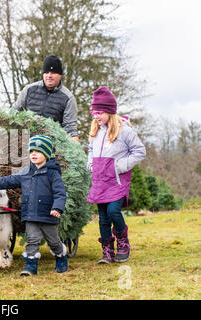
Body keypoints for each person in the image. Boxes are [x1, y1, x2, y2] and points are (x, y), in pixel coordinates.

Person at [0, 135, 68, 275]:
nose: (34, 154)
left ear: (47, 154)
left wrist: (57, 208)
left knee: (53, 241)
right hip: (30, 214)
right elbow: (9, 181)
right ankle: (31, 266)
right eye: (31, 151)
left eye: (38, 151)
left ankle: (61, 257)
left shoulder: (53, 174)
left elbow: (60, 193)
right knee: (32, 239)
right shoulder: (26, 173)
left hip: (48, 215)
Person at [86, 86, 146, 264]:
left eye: (100, 112)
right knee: (103, 218)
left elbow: (139, 151)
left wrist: (119, 166)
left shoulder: (124, 131)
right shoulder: (95, 131)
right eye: (94, 112)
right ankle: (107, 251)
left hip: (117, 181)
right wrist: (89, 164)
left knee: (113, 211)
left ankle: (122, 239)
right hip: (99, 180)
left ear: (110, 112)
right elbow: (90, 150)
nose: (96, 116)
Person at [13, 54, 79, 142]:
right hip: (26, 142)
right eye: (46, 72)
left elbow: (70, 127)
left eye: (53, 73)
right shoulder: (29, 90)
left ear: (60, 75)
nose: (49, 76)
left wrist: (76, 147)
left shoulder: (68, 98)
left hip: (52, 145)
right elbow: (14, 111)